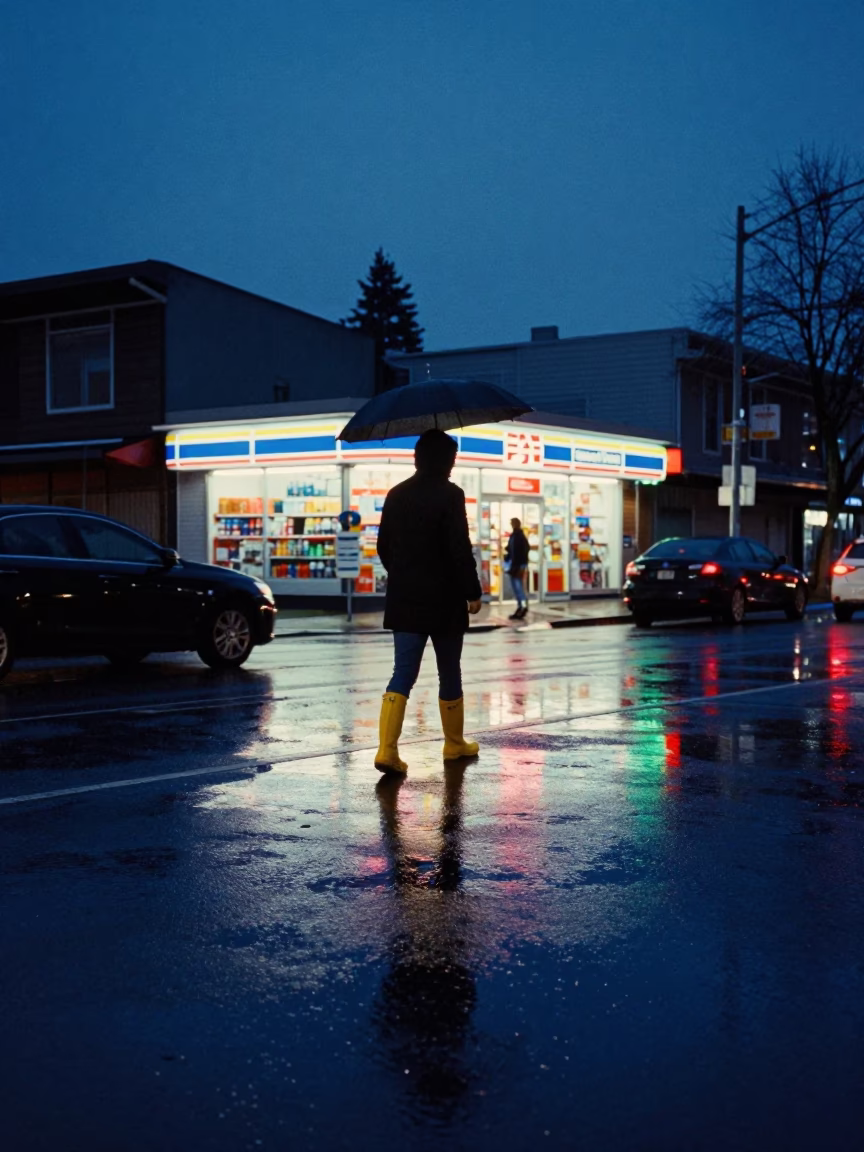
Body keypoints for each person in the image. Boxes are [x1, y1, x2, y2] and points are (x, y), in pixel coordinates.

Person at [374, 429, 483, 774]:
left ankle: (387, 750)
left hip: (405, 598)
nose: (453, 465)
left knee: (403, 672)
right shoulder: (451, 495)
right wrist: (472, 591)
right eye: (452, 458)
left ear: (417, 457)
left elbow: (383, 546)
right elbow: (459, 548)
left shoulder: (396, 494)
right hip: (446, 600)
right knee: (449, 670)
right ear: (445, 460)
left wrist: (405, 574)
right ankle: (454, 744)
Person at [504, 517, 530, 620]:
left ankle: (523, 606)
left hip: (517, 565)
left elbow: (523, 550)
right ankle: (520, 606)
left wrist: (520, 564)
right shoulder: (515, 535)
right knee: (516, 587)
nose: (511, 525)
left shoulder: (519, 536)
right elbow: (513, 549)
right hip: (515, 564)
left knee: (518, 587)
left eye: (512, 523)